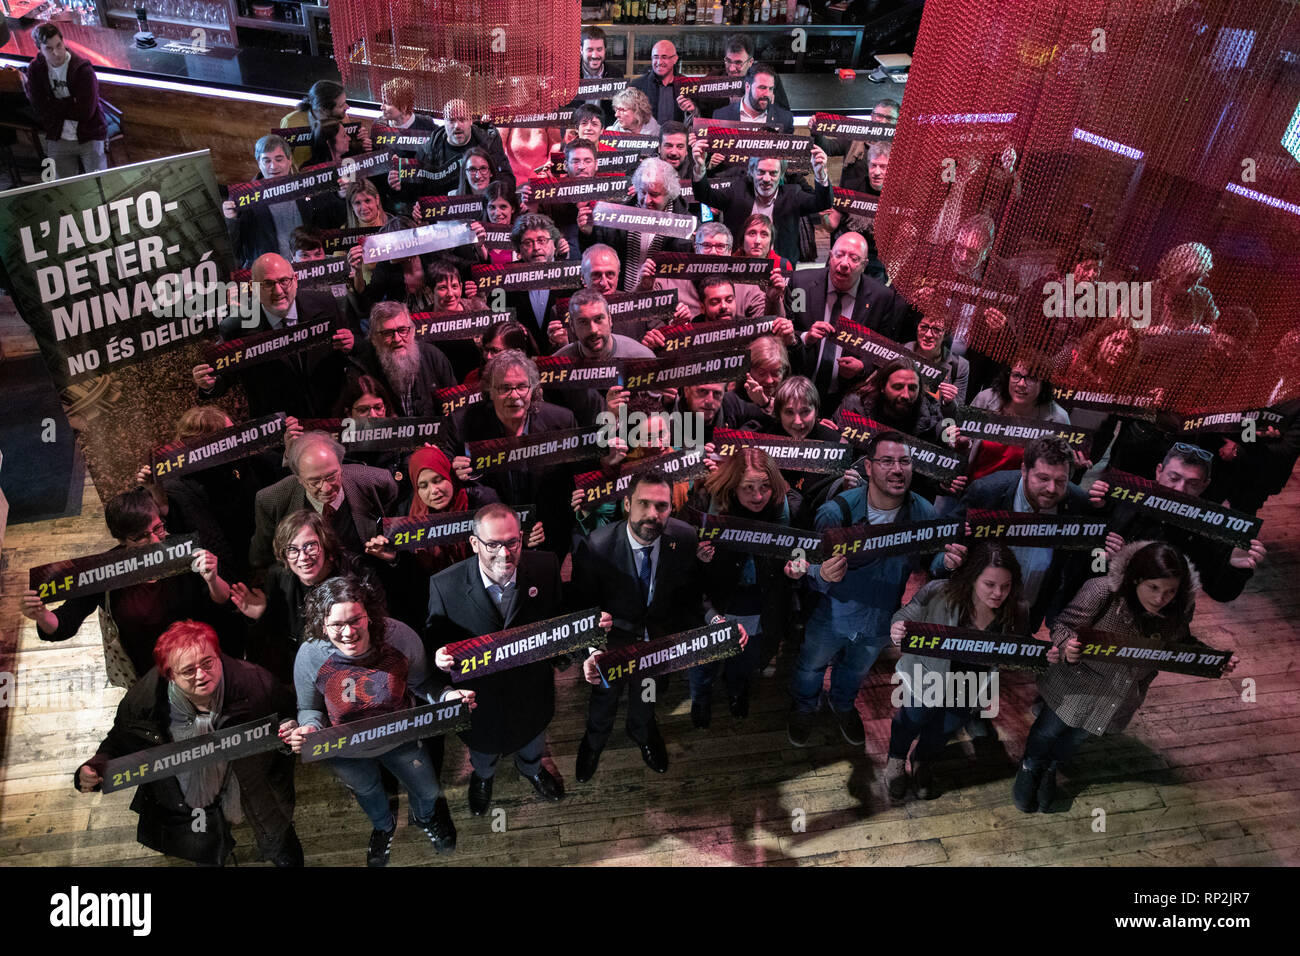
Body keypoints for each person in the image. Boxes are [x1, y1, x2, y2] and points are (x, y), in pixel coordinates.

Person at [1015, 541, 1239, 813]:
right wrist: (1067, 643)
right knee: (1049, 730)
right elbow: (1064, 625)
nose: (1160, 599)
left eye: (1170, 591)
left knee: (1077, 737)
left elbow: (1182, 641)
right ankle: (1030, 766)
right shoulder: (1101, 590)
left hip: (1121, 692)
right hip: (1077, 683)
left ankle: (1050, 769)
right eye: (1153, 588)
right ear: (1135, 579)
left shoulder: (1179, 608)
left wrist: (1213, 661)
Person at [784, 431, 965, 748]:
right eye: (887, 461)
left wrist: (947, 563)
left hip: (882, 618)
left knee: (855, 671)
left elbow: (931, 563)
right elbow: (804, 567)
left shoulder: (924, 514)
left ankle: (841, 705)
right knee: (811, 666)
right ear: (868, 467)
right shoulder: (835, 512)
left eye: (905, 462)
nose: (897, 469)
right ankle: (803, 708)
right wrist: (821, 572)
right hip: (831, 614)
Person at [75, 621, 303, 866]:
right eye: (189, 671)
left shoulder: (256, 683)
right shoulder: (144, 703)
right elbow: (120, 741)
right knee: (207, 850)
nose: (202, 675)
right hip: (191, 795)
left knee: (279, 839)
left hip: (254, 784)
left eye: (208, 663)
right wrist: (95, 767)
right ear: (170, 674)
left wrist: (290, 729)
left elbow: (288, 712)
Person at [287, 575, 473, 864]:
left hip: (400, 734)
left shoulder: (399, 637)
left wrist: (448, 698)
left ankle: (424, 819)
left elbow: (423, 684)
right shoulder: (310, 654)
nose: (347, 632)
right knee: (368, 791)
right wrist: (310, 727)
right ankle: (383, 828)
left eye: (355, 620)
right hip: (345, 748)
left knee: (428, 789)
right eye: (337, 624)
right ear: (323, 624)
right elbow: (308, 708)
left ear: (368, 616)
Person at [427, 505, 594, 815]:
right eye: (492, 544)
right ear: (474, 543)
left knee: (532, 741)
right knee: (482, 753)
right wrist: (438, 655)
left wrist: (588, 647)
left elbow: (558, 620)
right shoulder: (444, 584)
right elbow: (435, 636)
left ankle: (531, 769)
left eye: (511, 542)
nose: (504, 552)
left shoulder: (545, 566)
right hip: (478, 698)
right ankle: (483, 778)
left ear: (521, 538)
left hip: (532, 688)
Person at [569, 470, 730, 780]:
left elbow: (691, 595)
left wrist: (714, 620)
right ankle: (594, 741)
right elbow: (580, 607)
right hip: (611, 646)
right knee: (604, 699)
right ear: (627, 503)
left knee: (646, 696)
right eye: (644, 504)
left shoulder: (682, 537)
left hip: (657, 644)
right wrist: (591, 650)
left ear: (671, 507)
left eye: (662, 506)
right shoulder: (596, 546)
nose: (653, 514)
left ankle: (641, 732)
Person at [22, 488, 235, 683]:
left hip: (202, 660)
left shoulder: (183, 549)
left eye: (158, 528)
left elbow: (223, 602)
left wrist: (213, 579)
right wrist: (40, 615)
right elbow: (65, 622)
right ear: (123, 540)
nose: (154, 540)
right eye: (141, 537)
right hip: (152, 671)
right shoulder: (105, 569)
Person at [887, 543, 1027, 800]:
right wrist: (898, 627)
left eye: (1005, 586)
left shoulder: (1015, 609)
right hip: (927, 676)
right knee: (911, 720)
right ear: (973, 577)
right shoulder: (939, 591)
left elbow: (1018, 649)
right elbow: (906, 613)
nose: (998, 593)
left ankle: (921, 760)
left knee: (942, 730)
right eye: (990, 584)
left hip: (970, 685)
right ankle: (896, 759)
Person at [949, 435, 1115, 631]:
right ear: (1024, 470)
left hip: (1028, 613)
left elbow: (1088, 565)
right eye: (1043, 478)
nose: (1052, 489)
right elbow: (949, 538)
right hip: (973, 610)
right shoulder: (986, 492)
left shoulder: (1079, 504)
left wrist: (1104, 559)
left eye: (1061, 481)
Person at [691, 448, 800, 722]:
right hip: (716, 600)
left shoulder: (786, 507)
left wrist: (795, 568)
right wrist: (698, 556)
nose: (758, 496)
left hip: (760, 602)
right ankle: (700, 698)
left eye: (764, 486)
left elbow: (800, 553)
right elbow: (681, 553)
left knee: (744, 658)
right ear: (733, 486)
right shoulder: (706, 501)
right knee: (705, 659)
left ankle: (736, 690)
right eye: (748, 487)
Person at [441, 350, 582, 556]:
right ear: (490, 390)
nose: (514, 395)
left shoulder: (561, 421)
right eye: (505, 388)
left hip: (546, 533)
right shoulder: (461, 423)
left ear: (533, 389)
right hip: (491, 541)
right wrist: (453, 473)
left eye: (522, 386)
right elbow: (441, 474)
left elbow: (578, 475)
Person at [1093, 442, 1268, 604]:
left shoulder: (1210, 526)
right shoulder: (1122, 501)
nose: (1180, 489)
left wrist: (1235, 568)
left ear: (1205, 485)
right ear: (1159, 472)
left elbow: (1222, 593)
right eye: (1174, 478)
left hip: (1165, 609)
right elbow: (1090, 566)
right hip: (1107, 596)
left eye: (1192, 483)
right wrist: (1103, 555)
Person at [191, 253, 354, 419]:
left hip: (332, 415)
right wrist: (209, 384)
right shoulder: (235, 327)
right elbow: (226, 378)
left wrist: (351, 346)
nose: (278, 291)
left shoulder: (325, 303)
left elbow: (353, 351)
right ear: (253, 287)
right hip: (280, 429)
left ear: (295, 279)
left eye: (284, 281)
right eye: (268, 284)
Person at [142, 405, 283, 583]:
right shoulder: (181, 482)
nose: (238, 437)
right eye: (230, 434)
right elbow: (180, 523)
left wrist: (292, 447)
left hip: (263, 551)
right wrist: (154, 489)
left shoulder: (244, 459)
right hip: (227, 565)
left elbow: (278, 467)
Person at [233, 509, 378, 682]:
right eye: (292, 549)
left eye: (310, 546)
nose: (303, 557)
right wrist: (263, 616)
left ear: (324, 544)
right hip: (303, 672)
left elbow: (377, 626)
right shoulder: (279, 576)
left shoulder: (355, 571)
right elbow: (275, 644)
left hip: (355, 667)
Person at [788, 233, 917, 415]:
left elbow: (885, 350)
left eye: (854, 259)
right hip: (798, 385)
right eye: (839, 255)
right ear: (830, 256)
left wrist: (863, 367)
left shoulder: (881, 298)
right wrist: (805, 337)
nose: (844, 264)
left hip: (846, 398)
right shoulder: (801, 283)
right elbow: (788, 328)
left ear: (864, 266)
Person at [250, 431, 399, 570]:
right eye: (314, 482)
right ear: (299, 479)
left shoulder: (378, 482)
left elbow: (398, 545)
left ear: (341, 466)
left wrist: (391, 555)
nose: (326, 488)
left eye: (332, 476)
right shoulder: (272, 500)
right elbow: (261, 559)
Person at [690, 140, 833, 266]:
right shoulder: (738, 190)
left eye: (773, 173)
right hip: (740, 265)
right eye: (761, 172)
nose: (766, 179)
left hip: (780, 267)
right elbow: (705, 195)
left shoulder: (792, 194)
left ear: (781, 174)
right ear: (751, 172)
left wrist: (820, 174)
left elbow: (822, 203)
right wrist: (699, 167)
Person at [222, 135, 346, 268]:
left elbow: (332, 221)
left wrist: (340, 195)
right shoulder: (243, 199)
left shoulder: (307, 186)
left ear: (290, 160)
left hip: (306, 271)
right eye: (266, 161)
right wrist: (231, 220)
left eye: (279, 159)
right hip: (267, 275)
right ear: (259, 163)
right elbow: (233, 249)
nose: (273, 166)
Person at [578, 157, 695, 293]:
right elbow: (595, 258)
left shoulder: (687, 224)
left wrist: (694, 246)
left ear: (669, 194)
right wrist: (587, 233)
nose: (646, 200)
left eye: (654, 194)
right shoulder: (616, 214)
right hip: (621, 299)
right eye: (643, 192)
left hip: (662, 300)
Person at [965, 360, 1076, 481]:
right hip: (973, 486)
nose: (1021, 384)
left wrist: (1074, 465)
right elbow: (957, 443)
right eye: (1016, 375)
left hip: (1019, 493)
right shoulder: (985, 399)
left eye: (1031, 378)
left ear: (1043, 383)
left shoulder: (1058, 418)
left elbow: (1063, 471)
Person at [649, 223, 786, 321]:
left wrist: (772, 300)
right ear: (696, 249)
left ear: (729, 252)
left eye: (720, 247)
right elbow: (648, 318)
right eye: (706, 246)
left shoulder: (747, 285)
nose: (713, 253)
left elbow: (770, 325)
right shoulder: (670, 280)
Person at [389, 98, 515, 203]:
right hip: (445, 217)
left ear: (470, 120)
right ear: (444, 121)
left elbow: (507, 179)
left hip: (483, 209)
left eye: (462, 119)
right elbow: (418, 189)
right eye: (451, 120)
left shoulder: (488, 142)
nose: (457, 126)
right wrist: (402, 186)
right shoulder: (430, 148)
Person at [346, 301, 457, 418]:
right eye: (387, 333)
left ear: (413, 332)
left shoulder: (434, 357)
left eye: (402, 330)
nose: (397, 339)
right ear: (374, 338)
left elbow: (454, 409)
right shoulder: (361, 369)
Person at [25, 22, 108, 179]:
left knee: (101, 184)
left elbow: (85, 113)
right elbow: (39, 107)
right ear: (40, 50)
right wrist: (71, 102)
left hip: (89, 133)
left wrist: (53, 104)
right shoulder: (36, 69)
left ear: (63, 42)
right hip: (58, 134)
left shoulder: (83, 70)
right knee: (64, 188)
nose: (56, 52)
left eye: (58, 45)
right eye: (49, 49)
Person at [905, 288, 970, 406]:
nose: (928, 335)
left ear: (945, 334)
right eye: (924, 327)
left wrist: (949, 401)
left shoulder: (960, 366)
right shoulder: (904, 351)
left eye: (936, 330)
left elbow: (957, 412)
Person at [281, 79, 349, 167]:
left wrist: (360, 143)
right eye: (341, 105)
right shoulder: (291, 122)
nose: (347, 107)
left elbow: (346, 151)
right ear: (323, 109)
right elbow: (283, 157)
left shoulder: (343, 118)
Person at [710, 63, 794, 133]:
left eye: (771, 89)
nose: (767, 94)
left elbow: (790, 152)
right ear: (747, 87)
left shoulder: (785, 119)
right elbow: (712, 151)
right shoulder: (721, 116)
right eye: (762, 88)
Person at [629, 40, 694, 128]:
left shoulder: (689, 85)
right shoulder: (637, 85)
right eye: (656, 57)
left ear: (675, 59)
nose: (659, 62)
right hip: (648, 139)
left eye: (664, 57)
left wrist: (693, 111)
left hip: (678, 140)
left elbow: (698, 120)